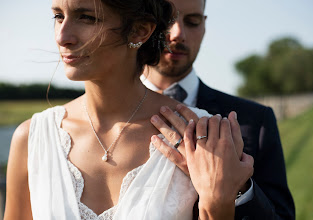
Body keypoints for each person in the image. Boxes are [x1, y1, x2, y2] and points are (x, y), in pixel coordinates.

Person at [4, 0, 254, 219]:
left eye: (87, 17)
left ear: (139, 31)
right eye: (58, 16)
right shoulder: (32, 137)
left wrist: (218, 203)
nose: (62, 36)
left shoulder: (201, 134)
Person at [142, 0, 295, 219]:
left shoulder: (256, 120)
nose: (178, 34)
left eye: (192, 22)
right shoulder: (95, 117)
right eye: (166, 20)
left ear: (204, 26)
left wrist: (238, 187)